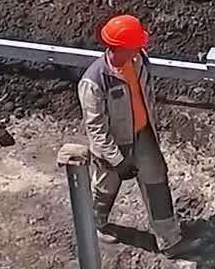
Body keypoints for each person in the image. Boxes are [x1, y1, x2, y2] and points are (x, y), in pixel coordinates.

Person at [77, 13, 187, 255]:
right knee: (106, 187)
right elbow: (95, 128)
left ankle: (169, 239)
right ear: (120, 47)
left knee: (157, 183)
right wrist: (117, 160)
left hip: (143, 134)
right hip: (114, 144)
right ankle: (97, 223)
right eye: (135, 45)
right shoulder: (94, 82)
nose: (140, 48)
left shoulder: (139, 62)